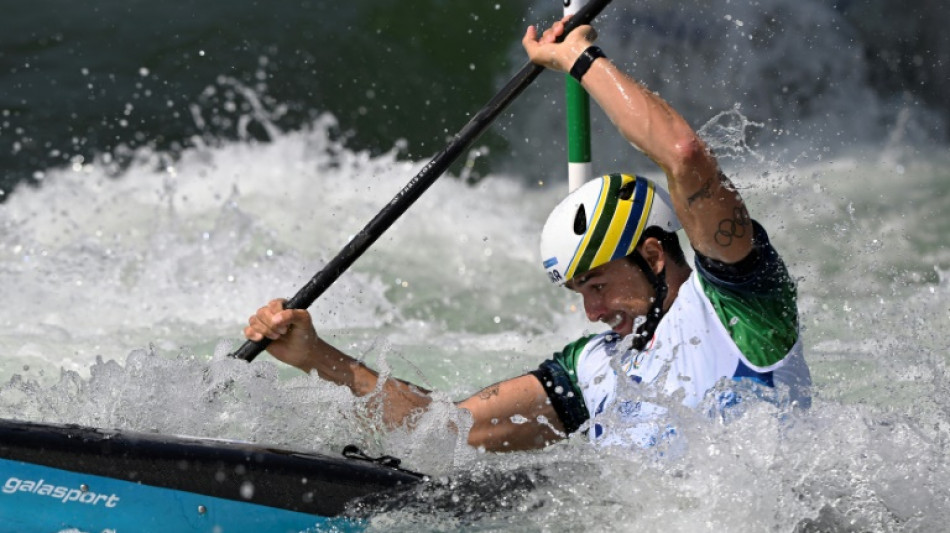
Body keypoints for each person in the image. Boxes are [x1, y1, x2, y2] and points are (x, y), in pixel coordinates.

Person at [243, 18, 811, 452]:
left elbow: (684, 155)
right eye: (579, 293)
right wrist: (316, 357)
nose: (591, 312)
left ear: (653, 254)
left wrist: (579, 59)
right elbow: (446, 431)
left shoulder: (740, 303)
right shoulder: (593, 367)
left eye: (597, 285)